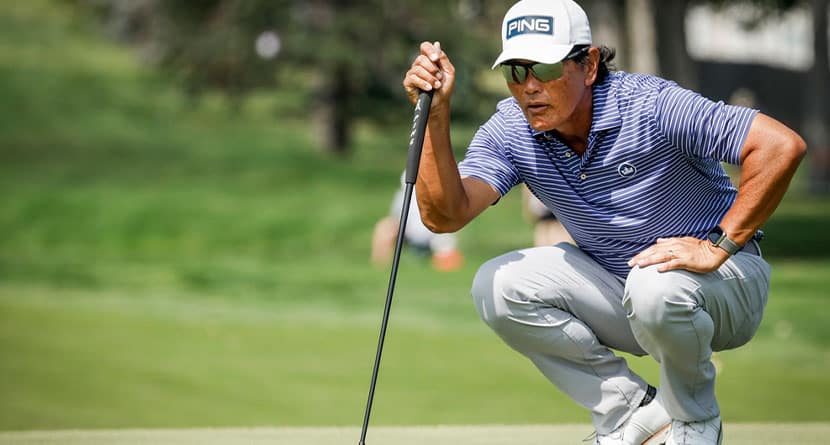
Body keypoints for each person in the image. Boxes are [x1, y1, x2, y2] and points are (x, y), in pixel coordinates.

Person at [401, 0, 806, 444]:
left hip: (726, 284)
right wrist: (434, 119)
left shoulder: (651, 105)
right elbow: (445, 215)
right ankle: (632, 415)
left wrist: (718, 246)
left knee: (655, 284)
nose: (530, 87)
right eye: (516, 72)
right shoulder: (512, 129)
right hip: (628, 291)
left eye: (546, 69)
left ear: (589, 64)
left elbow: (779, 145)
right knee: (496, 285)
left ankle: (696, 421)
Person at [371, 172, 464, 272]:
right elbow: (395, 218)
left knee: (447, 255)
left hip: (436, 234)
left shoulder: (437, 193)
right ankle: (380, 267)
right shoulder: (402, 196)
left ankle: (442, 266)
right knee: (384, 227)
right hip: (408, 233)